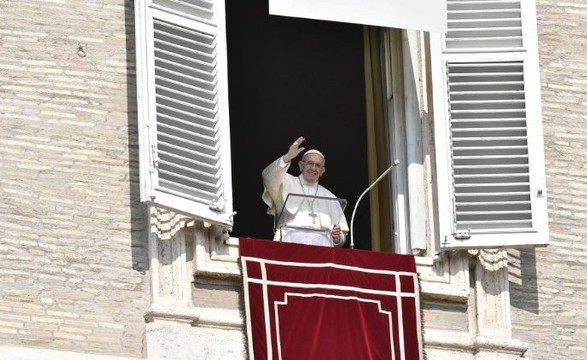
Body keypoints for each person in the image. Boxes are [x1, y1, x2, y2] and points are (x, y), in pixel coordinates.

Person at [262, 136, 349, 247]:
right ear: (301, 166)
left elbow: (341, 237)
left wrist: (337, 237)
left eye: (318, 165)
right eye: (310, 163)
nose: (313, 168)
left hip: (321, 247)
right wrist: (287, 157)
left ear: (322, 171)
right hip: (289, 242)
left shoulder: (331, 197)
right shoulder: (285, 182)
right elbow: (267, 177)